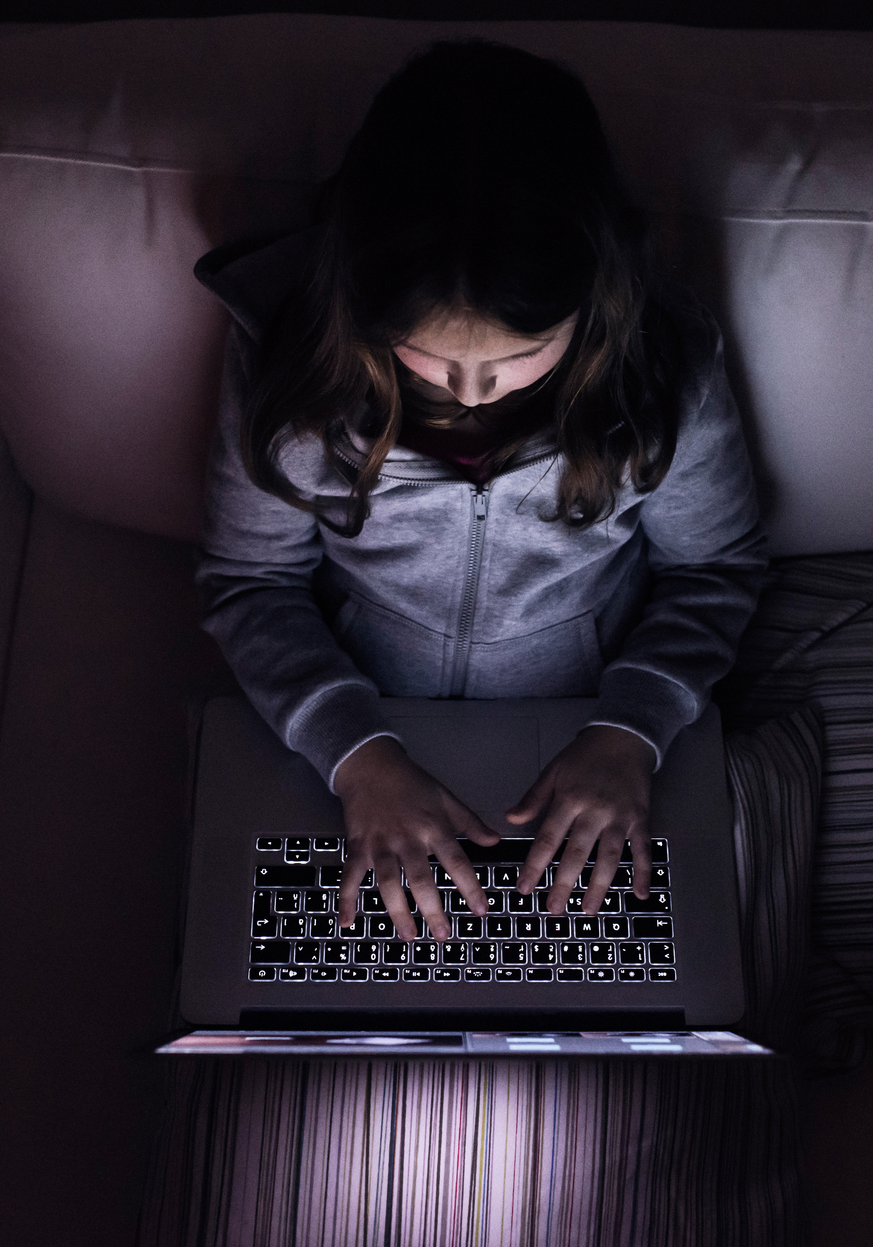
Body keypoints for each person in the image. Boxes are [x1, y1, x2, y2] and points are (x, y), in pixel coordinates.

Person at [194, 39, 763, 951]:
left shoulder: (664, 372)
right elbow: (249, 582)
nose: (469, 392)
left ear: (592, 299)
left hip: (591, 742)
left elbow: (716, 570)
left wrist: (631, 731)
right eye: (430, 354)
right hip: (349, 744)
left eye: (514, 359)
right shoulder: (291, 367)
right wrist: (358, 756)